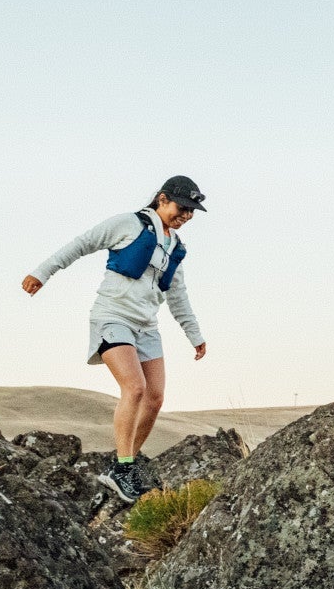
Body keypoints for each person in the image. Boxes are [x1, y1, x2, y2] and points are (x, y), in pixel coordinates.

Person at [22, 177, 209, 504]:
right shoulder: (129, 223)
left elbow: (178, 296)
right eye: (182, 208)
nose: (187, 216)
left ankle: (126, 462)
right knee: (134, 388)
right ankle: (122, 468)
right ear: (162, 199)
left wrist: (195, 335)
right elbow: (83, 243)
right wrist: (42, 272)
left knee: (155, 398)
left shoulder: (175, 247)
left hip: (147, 326)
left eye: (192, 212)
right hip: (113, 316)